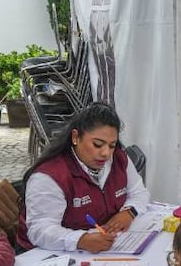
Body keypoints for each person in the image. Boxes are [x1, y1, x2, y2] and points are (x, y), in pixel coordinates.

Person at [18, 103, 150, 252]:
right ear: (76, 137)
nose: (106, 153)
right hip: (47, 255)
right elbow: (40, 229)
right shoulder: (50, 176)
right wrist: (80, 240)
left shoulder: (119, 159)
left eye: (112, 145)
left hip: (105, 245)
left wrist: (129, 212)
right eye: (97, 144)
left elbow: (139, 192)